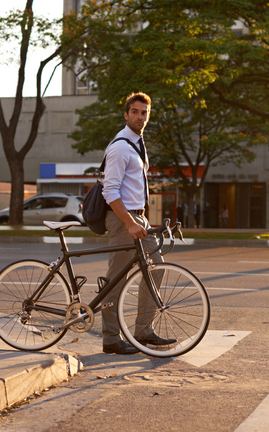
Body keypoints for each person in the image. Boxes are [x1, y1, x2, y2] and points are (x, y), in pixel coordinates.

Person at [101, 92, 176, 355]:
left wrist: (142, 219)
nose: (140, 117)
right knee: (117, 280)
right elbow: (109, 192)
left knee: (156, 268)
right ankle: (111, 338)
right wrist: (131, 222)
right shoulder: (121, 147)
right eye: (135, 112)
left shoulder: (138, 144)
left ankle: (143, 331)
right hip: (123, 220)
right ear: (126, 114)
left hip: (137, 216)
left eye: (144, 113)